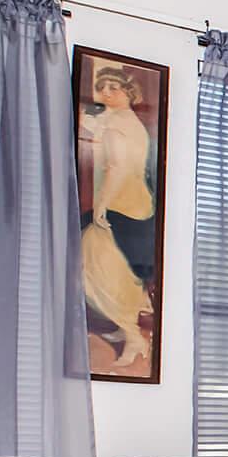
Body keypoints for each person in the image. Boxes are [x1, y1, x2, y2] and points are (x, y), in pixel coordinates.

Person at [79, 64, 157, 369]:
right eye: (103, 88)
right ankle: (123, 323)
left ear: (128, 91)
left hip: (122, 201)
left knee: (99, 263)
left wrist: (102, 205)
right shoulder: (125, 120)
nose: (107, 93)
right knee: (111, 263)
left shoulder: (117, 127)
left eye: (114, 87)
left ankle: (133, 334)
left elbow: (117, 169)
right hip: (135, 199)